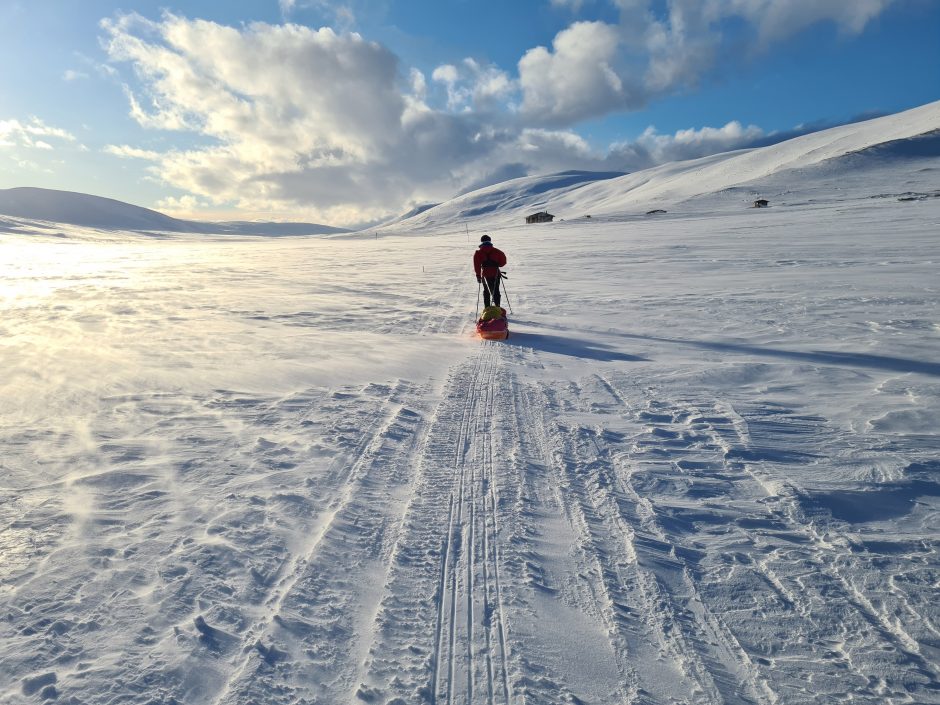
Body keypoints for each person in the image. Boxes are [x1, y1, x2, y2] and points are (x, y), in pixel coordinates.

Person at [473, 234, 507, 308]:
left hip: (485, 275)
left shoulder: (478, 253)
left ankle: (487, 308)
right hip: (496, 274)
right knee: (496, 291)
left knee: (486, 291)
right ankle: (497, 307)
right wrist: (497, 264)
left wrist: (478, 276)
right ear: (490, 241)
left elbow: (477, 265)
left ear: (482, 242)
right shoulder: (498, 251)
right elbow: (503, 262)